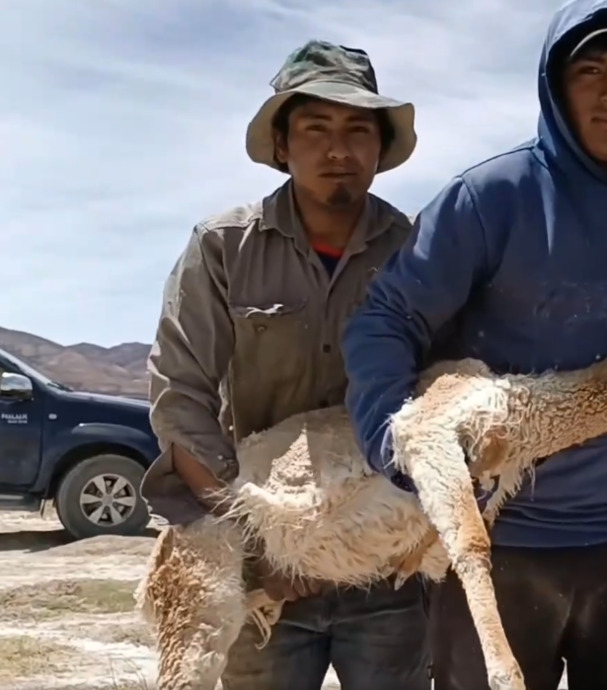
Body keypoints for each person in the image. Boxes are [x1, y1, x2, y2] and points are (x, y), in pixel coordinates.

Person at [342, 1, 607, 688]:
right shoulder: (488, 198)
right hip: (501, 540)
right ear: (556, 84)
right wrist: (397, 438)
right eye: (589, 70)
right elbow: (386, 319)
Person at [140, 40, 429, 690]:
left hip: (383, 568)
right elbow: (180, 398)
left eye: (358, 130)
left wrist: (397, 532)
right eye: (315, 128)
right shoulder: (222, 250)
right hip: (261, 572)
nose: (338, 148)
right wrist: (259, 545)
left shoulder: (418, 256)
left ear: (380, 150)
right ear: (281, 145)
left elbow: (442, 399)